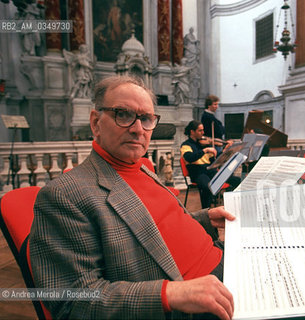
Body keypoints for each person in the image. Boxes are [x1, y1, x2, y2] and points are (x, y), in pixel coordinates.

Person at [29, 76, 235, 320]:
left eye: (146, 119)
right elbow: (71, 301)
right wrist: (171, 294)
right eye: (123, 114)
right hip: (195, 304)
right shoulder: (64, 194)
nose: (138, 129)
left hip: (225, 260)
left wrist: (204, 219)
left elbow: (156, 227)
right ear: (96, 123)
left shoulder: (143, 168)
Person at [181, 120, 241, 209]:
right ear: (192, 132)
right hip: (198, 173)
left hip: (210, 171)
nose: (203, 133)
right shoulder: (186, 145)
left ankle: (232, 206)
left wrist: (225, 151)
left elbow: (215, 160)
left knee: (236, 180)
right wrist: (205, 150)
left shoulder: (205, 144)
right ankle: (206, 211)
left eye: (203, 130)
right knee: (207, 186)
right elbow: (189, 157)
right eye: (200, 130)